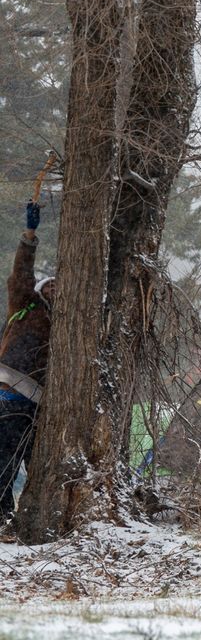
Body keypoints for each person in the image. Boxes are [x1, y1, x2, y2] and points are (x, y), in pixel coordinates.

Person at [0, 201, 53, 521]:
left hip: (38, 406)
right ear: (40, 291)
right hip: (10, 396)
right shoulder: (26, 305)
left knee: (34, 464)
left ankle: (27, 517)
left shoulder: (65, 325)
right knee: (3, 461)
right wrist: (29, 236)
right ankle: (3, 514)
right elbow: (21, 273)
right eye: (50, 285)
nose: (55, 288)